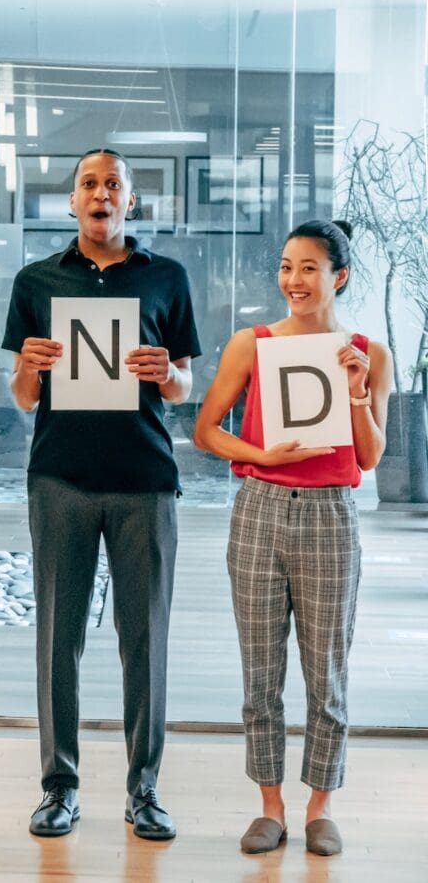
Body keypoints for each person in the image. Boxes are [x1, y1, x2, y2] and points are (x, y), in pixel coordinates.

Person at [2, 149, 201, 840]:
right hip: (60, 477)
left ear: (132, 202)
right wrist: (27, 369)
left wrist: (166, 376)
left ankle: (144, 788)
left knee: (145, 641)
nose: (101, 194)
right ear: (72, 200)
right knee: (58, 641)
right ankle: (59, 787)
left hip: (146, 480)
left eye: (114, 184)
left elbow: (186, 387)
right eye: (89, 183)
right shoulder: (37, 281)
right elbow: (24, 397)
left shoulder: (166, 279)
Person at [192, 220, 391, 857]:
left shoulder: (368, 351)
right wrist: (264, 456)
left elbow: (371, 458)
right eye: (286, 267)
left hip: (332, 512)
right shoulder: (251, 345)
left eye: (309, 268)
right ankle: (270, 805)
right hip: (259, 508)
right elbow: (205, 431)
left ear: (339, 276)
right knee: (261, 670)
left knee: (326, 671)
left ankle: (321, 804)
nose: (294, 280)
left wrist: (358, 391)